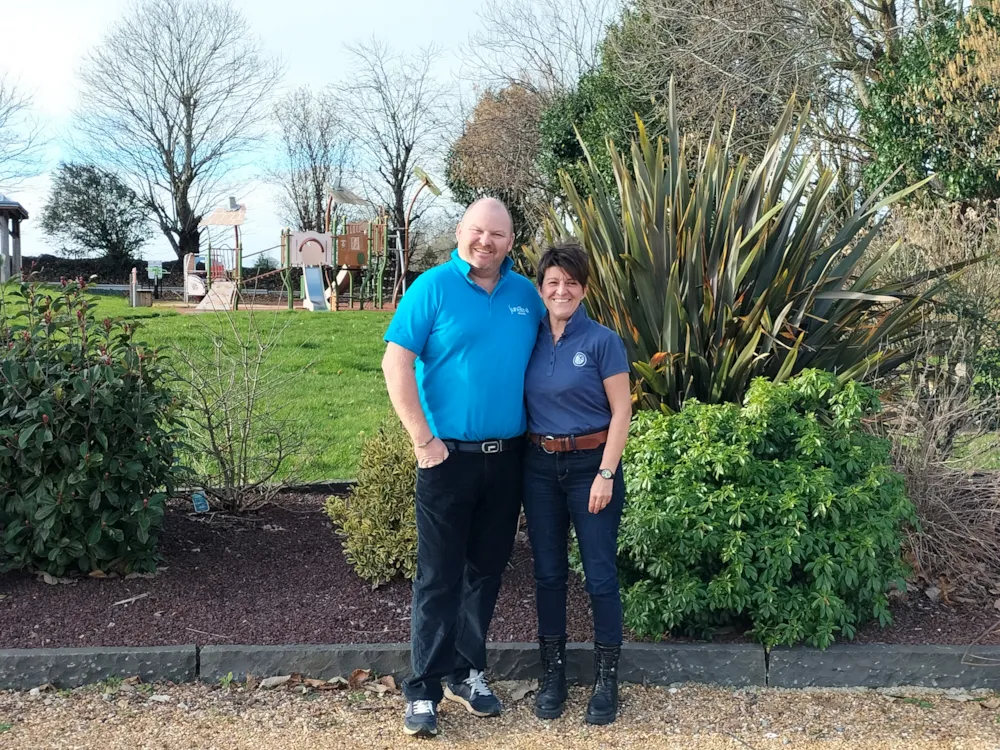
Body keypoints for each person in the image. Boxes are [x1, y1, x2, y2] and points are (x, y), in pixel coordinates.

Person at [381, 198, 544, 739]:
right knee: (438, 578)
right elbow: (396, 360)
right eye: (478, 231)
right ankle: (423, 688)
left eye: (497, 234)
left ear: (510, 240)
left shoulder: (527, 295)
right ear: (460, 232)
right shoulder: (432, 287)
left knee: (487, 572)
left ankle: (466, 671)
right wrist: (422, 440)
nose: (486, 242)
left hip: (509, 460)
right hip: (447, 460)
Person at [522, 241, 631, 725]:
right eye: (552, 282)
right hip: (539, 469)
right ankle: (555, 676)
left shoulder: (603, 341)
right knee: (548, 575)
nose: (561, 289)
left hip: (592, 468)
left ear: (583, 288)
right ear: (541, 288)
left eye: (570, 282)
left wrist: (606, 472)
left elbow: (622, 410)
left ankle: (607, 680)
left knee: (601, 576)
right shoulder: (529, 336)